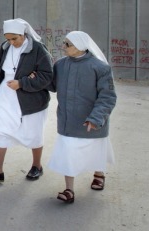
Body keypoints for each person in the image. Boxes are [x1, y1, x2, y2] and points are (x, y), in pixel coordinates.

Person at [0, 18, 53, 182]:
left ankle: (37, 166)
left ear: (23, 34)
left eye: (14, 38)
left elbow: (47, 75)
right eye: (8, 39)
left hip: (30, 98)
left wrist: (23, 83)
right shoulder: (5, 48)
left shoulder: (38, 49)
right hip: (5, 95)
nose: (11, 42)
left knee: (33, 132)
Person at [47, 31, 117, 204]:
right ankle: (69, 189)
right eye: (64, 43)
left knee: (96, 150)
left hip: (91, 121)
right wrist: (36, 76)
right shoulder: (61, 65)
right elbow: (52, 85)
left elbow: (107, 97)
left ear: (80, 46)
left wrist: (95, 118)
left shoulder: (100, 68)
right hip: (67, 120)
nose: (63, 47)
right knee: (68, 154)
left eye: (67, 44)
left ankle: (99, 174)